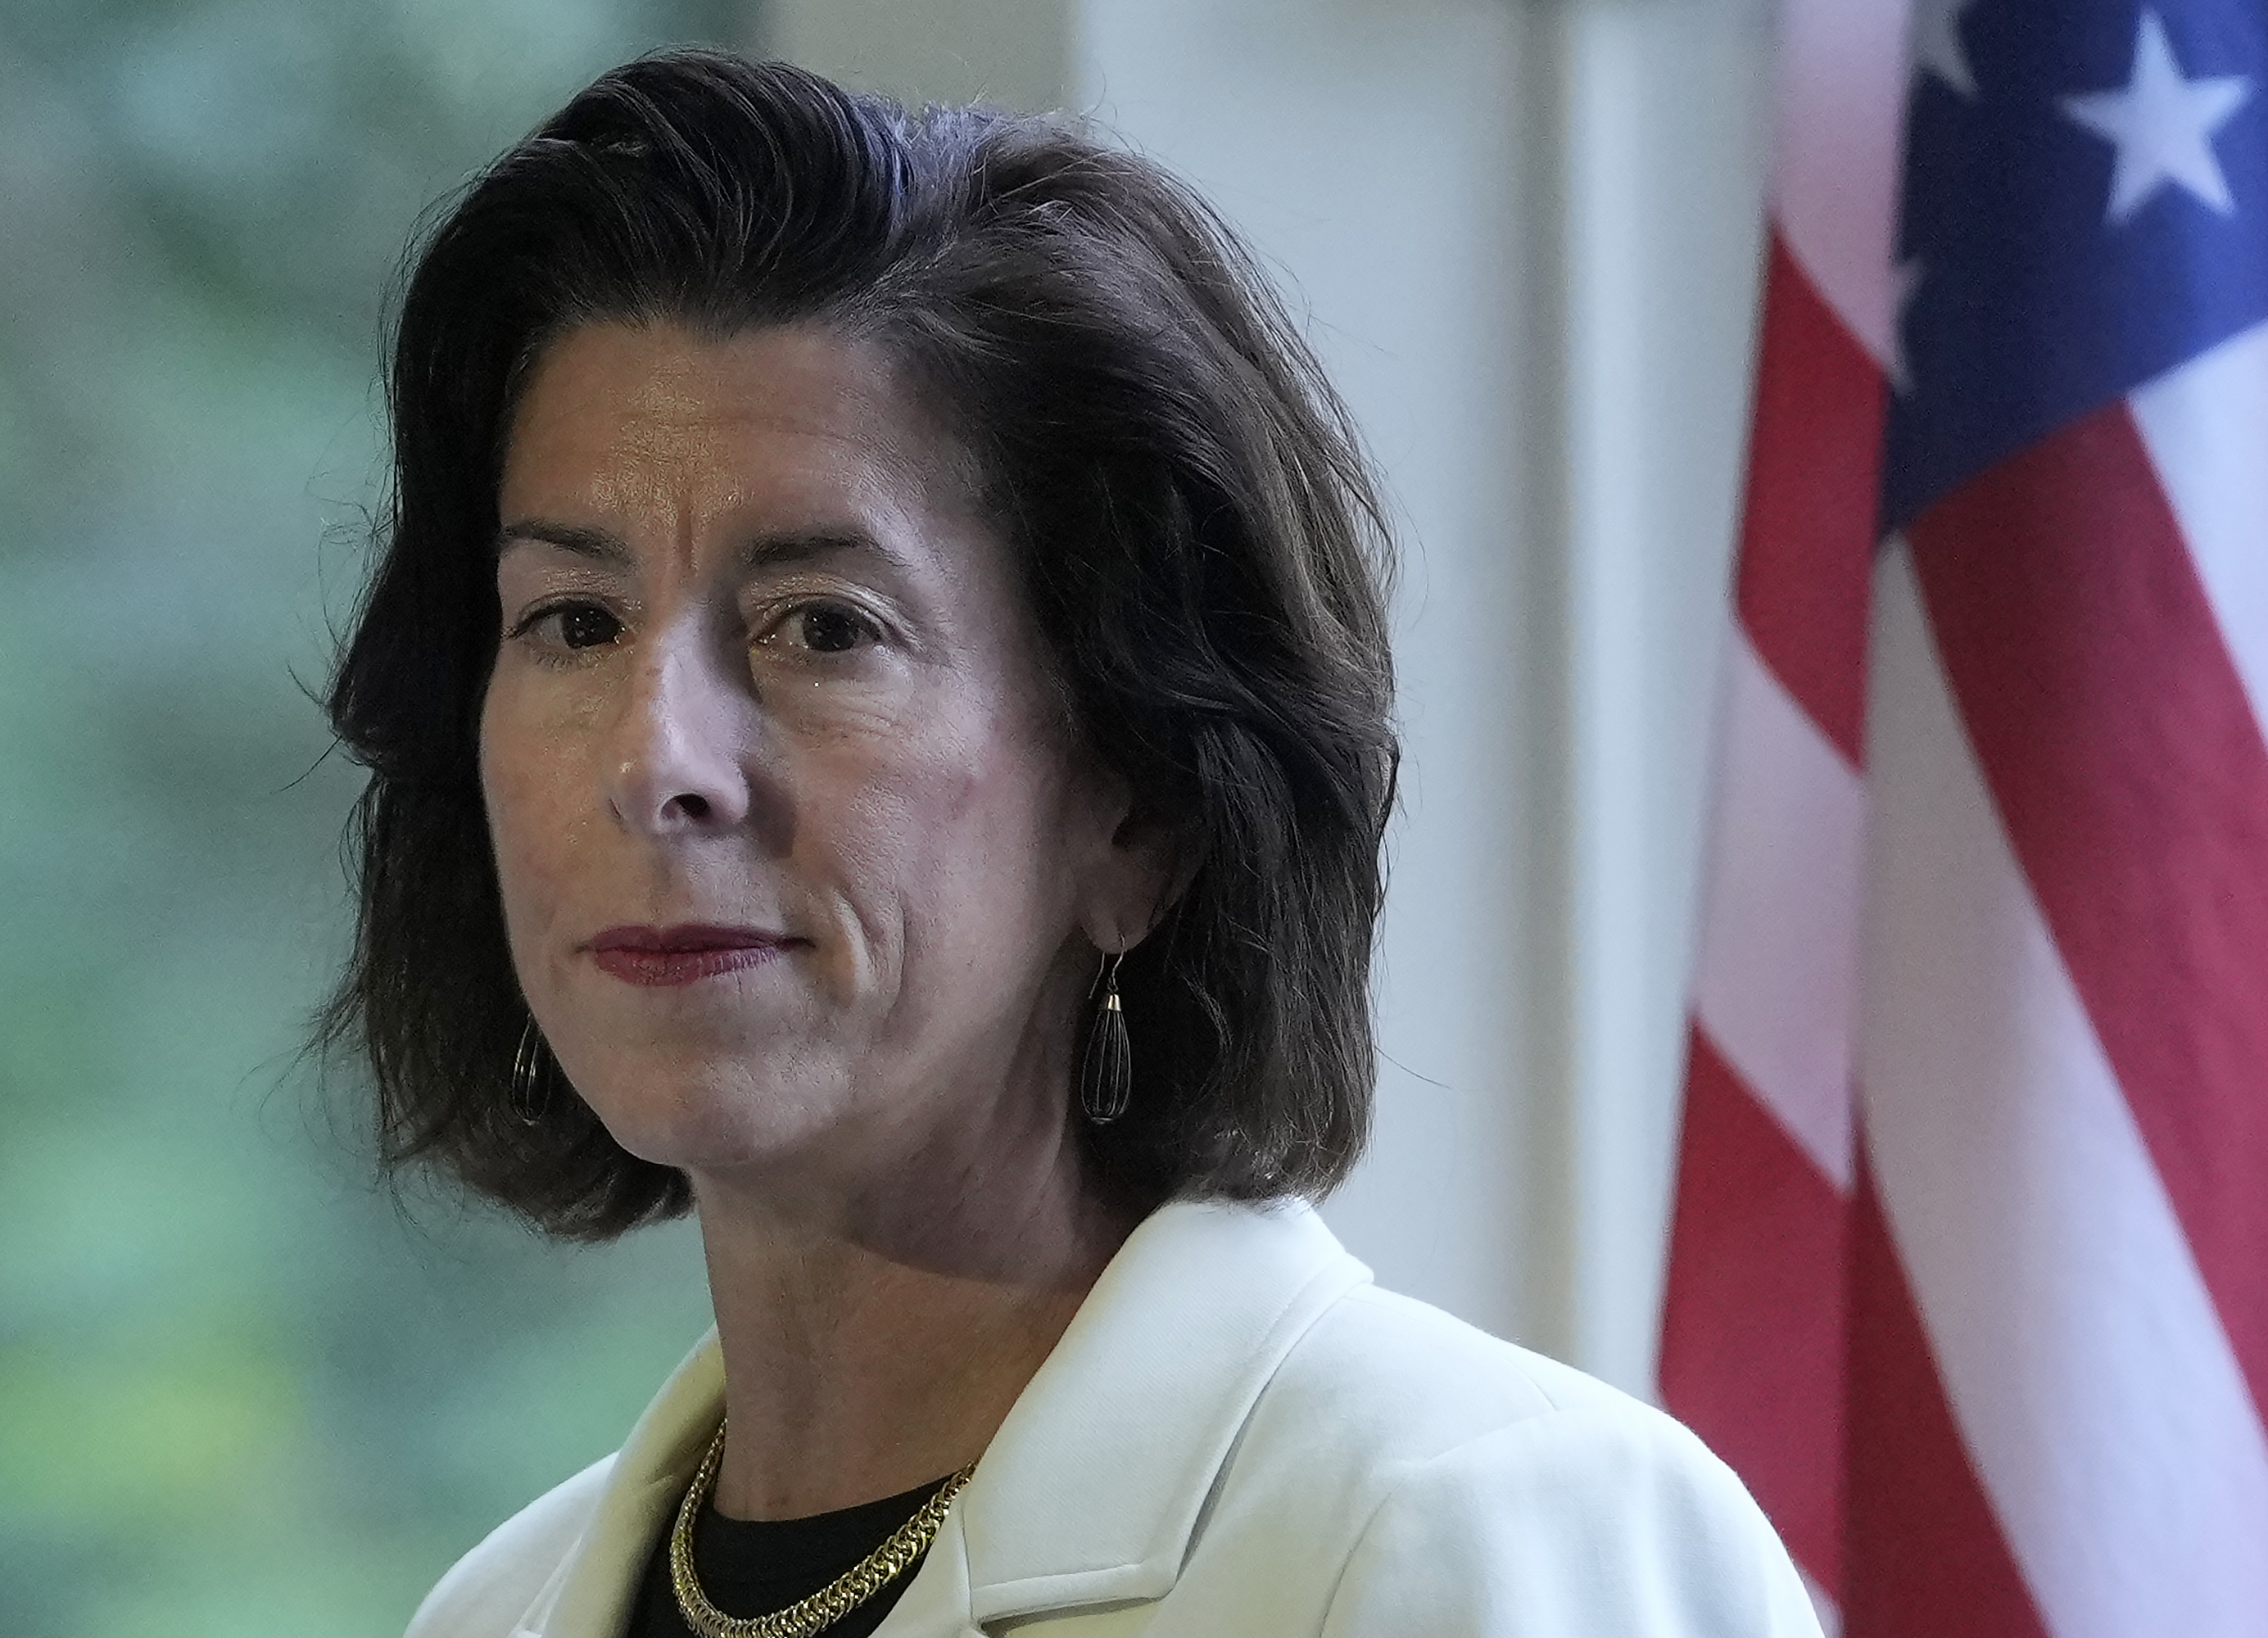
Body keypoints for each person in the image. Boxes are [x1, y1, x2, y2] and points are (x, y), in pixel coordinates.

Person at [324, 48, 1820, 1638]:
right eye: (572, 619)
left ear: (1143, 801)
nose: (656, 760)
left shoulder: (1475, 1531)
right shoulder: (490, 1611)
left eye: (823, 627)